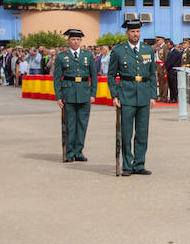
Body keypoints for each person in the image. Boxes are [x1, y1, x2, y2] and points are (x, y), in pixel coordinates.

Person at [108, 16, 157, 176]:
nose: (136, 34)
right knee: (126, 132)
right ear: (127, 33)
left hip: (144, 94)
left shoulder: (148, 50)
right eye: (133, 31)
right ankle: (127, 165)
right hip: (126, 94)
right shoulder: (118, 51)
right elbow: (111, 75)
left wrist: (153, 95)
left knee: (142, 132)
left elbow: (152, 74)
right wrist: (115, 95)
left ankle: (139, 164)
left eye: (138, 31)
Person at [53, 28, 98, 162]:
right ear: (68, 40)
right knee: (70, 124)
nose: (76, 42)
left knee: (82, 124)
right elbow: (57, 78)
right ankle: (69, 152)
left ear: (81, 41)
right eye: (73, 39)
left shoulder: (88, 55)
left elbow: (93, 76)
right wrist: (58, 96)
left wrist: (93, 93)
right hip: (69, 93)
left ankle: (79, 151)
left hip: (84, 92)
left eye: (78, 39)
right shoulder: (62, 56)